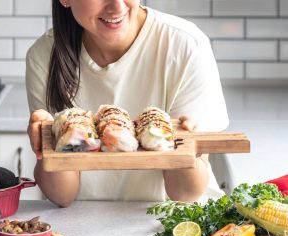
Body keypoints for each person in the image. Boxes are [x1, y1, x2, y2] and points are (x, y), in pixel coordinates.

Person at [26, 0, 229, 207]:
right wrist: (46, 147)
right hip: (86, 224)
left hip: (174, 221)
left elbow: (185, 193)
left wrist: (185, 150)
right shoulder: (45, 56)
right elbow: (63, 195)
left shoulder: (185, 45)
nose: (117, 6)